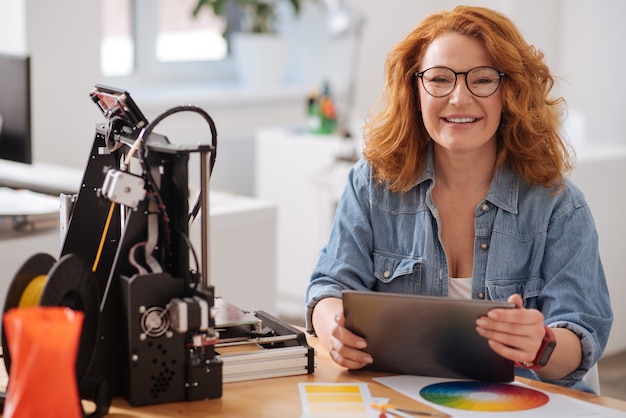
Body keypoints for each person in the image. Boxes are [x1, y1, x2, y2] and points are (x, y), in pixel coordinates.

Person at [305, 5, 613, 393]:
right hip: (403, 401)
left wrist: (541, 346)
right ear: (415, 90)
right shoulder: (370, 186)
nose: (459, 97)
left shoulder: (559, 207)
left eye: (482, 80)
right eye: (439, 79)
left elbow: (581, 339)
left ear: (510, 92)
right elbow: (328, 287)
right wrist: (334, 328)